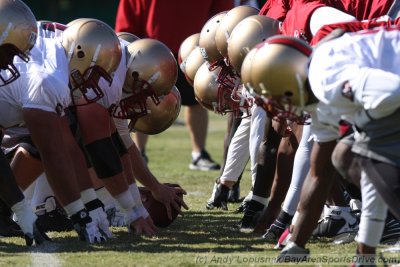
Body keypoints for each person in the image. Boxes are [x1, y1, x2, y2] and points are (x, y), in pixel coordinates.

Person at [114, 0, 235, 171]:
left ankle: (199, 153)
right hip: (150, 55)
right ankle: (139, 152)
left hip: (194, 51)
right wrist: (133, 46)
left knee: (197, 100)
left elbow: (222, 16)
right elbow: (127, 22)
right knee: (141, 101)